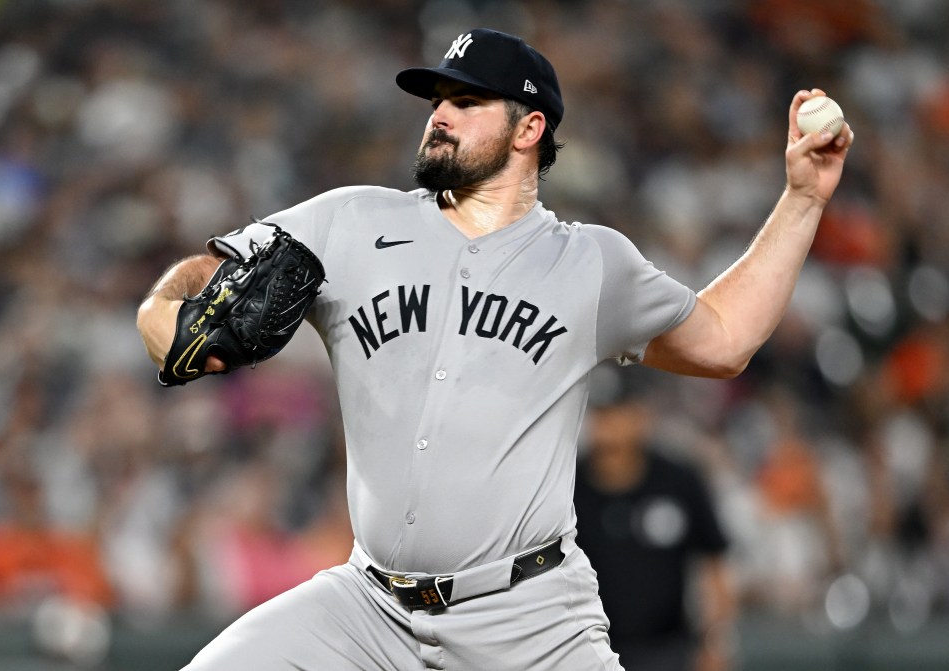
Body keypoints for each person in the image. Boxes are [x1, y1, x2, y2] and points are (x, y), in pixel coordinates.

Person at [136, 27, 852, 671]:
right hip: (367, 609)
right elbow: (207, 271)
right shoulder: (350, 221)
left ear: (529, 127)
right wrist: (162, 309)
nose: (439, 115)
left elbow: (724, 339)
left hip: (530, 620)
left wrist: (802, 200)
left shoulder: (591, 263)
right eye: (437, 100)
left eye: (467, 101)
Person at [575, 364, 736, 671]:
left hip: (668, 650)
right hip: (588, 650)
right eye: (600, 412)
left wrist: (715, 642)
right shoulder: (568, 488)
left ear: (641, 414)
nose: (608, 424)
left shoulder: (678, 481)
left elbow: (714, 565)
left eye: (618, 411)